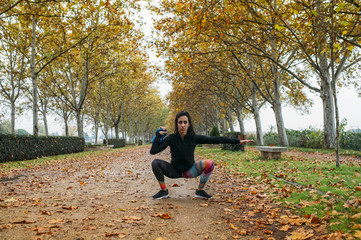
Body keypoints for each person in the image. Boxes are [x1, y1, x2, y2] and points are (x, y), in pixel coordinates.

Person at [150, 111, 254, 200]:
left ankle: (200, 191)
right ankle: (163, 191)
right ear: (176, 124)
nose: (182, 125)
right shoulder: (171, 138)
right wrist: (158, 135)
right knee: (155, 163)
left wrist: (238, 141)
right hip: (174, 171)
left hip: (190, 170)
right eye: (180, 122)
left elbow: (216, 139)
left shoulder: (194, 137)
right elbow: (153, 151)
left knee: (209, 163)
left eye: (185, 122)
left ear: (189, 124)